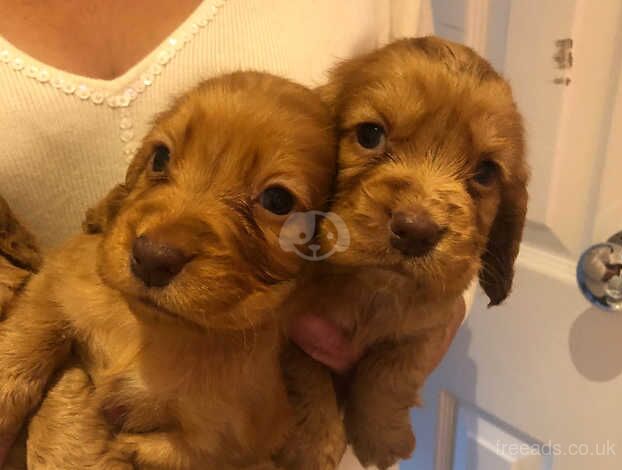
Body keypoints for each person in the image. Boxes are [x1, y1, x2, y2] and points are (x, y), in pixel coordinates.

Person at [0, 1, 465, 466]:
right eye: (161, 161)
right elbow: (50, 299)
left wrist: (371, 378)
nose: (162, 241)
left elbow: (445, 247)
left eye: (275, 202)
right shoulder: (87, 274)